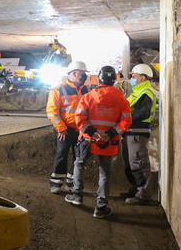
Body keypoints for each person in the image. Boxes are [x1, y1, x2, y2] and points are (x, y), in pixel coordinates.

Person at [66, 65, 132, 219]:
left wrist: (92, 133)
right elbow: (126, 121)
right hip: (109, 142)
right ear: (114, 79)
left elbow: (79, 118)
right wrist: (110, 134)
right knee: (104, 174)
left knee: (79, 164)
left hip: (88, 140)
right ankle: (101, 207)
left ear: (100, 78)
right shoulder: (122, 99)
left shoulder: (88, 97)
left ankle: (77, 195)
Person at [46, 61, 90, 193]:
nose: (84, 76)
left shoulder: (84, 89)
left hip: (81, 130)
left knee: (78, 157)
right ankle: (56, 183)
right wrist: (61, 128)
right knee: (62, 154)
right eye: (83, 74)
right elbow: (52, 111)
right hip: (65, 130)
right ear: (75, 73)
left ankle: (71, 182)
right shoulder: (58, 90)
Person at [122, 64, 159, 205]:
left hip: (138, 131)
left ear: (142, 78)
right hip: (129, 131)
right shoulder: (136, 92)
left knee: (139, 162)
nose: (131, 78)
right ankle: (135, 189)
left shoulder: (146, 92)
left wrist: (122, 118)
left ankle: (143, 195)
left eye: (134, 76)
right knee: (130, 163)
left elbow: (140, 113)